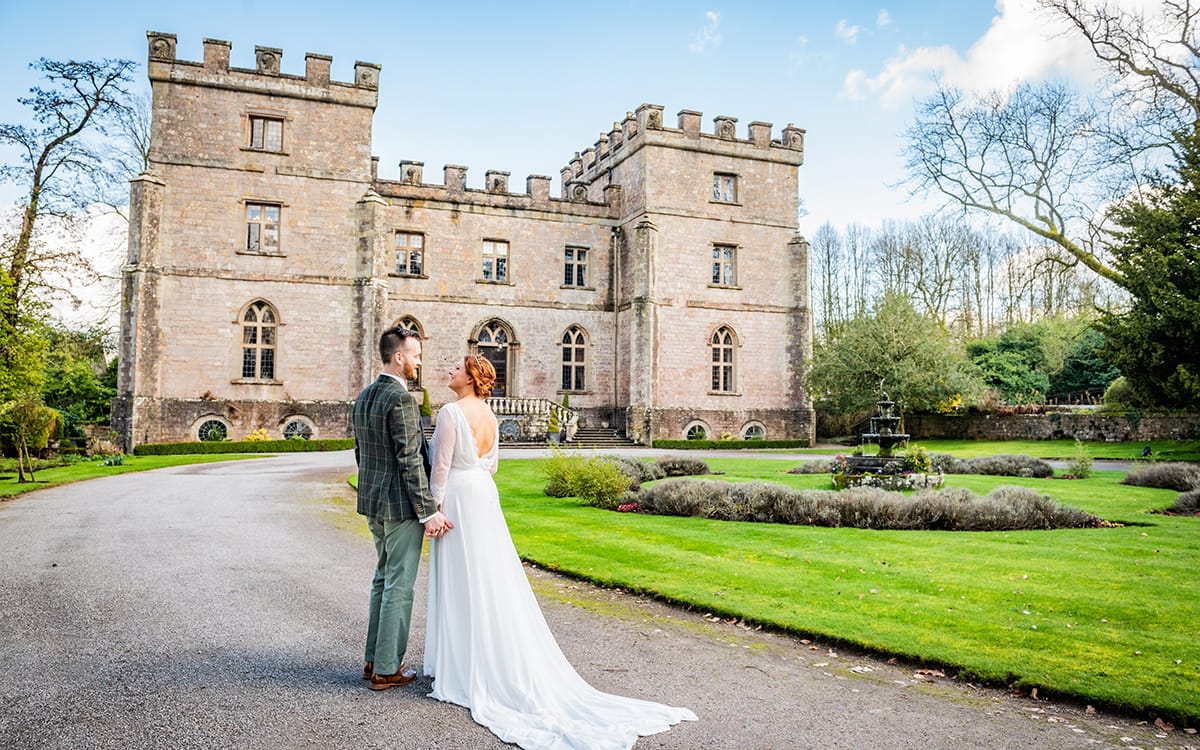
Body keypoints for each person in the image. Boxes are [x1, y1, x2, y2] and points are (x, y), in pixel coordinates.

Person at [423, 354, 696, 750]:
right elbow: (493, 466)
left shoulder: (450, 413)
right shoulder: (489, 413)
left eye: (456, 369)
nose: (450, 372)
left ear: (469, 378)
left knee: (463, 577)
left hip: (460, 498)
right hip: (484, 495)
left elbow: (440, 469)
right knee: (489, 576)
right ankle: (483, 655)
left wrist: (434, 509)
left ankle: (466, 667)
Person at [352, 326, 453, 691]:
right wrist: (427, 511)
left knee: (382, 579)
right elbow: (410, 460)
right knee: (399, 585)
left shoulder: (364, 396)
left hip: (374, 503)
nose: (419, 362)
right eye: (416, 355)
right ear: (399, 358)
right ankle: (387, 669)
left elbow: (362, 455)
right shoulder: (402, 400)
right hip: (399, 507)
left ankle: (372, 660)